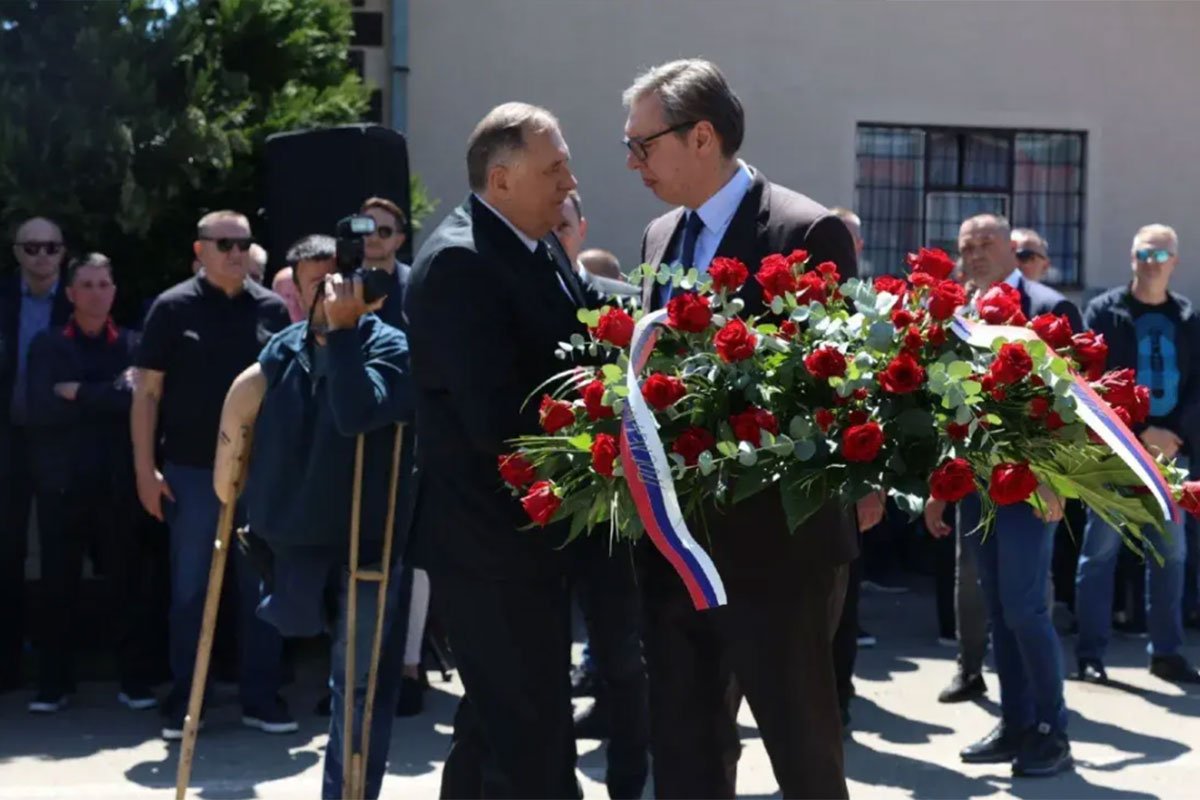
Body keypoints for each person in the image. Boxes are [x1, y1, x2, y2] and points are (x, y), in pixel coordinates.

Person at [624, 58, 872, 798]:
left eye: (644, 144)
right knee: (686, 753)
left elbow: (832, 391)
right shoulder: (658, 235)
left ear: (701, 136)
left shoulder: (805, 229)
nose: (633, 161)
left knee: (802, 753)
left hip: (779, 556)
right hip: (677, 549)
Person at [407, 101, 594, 798]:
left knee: (495, 726)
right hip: (489, 544)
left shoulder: (530, 243)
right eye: (555, 168)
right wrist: (603, 437)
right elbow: (500, 420)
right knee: (532, 736)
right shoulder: (461, 261)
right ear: (503, 178)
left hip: (523, 543)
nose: (570, 182)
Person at [228, 234, 415, 799]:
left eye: (336, 280)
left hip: (367, 544)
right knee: (336, 677)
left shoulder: (392, 347)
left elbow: (358, 414)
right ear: (294, 285)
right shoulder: (280, 350)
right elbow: (240, 426)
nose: (326, 292)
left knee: (356, 689)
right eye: (314, 282)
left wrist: (346, 334)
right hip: (291, 542)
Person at [924, 212, 1079, 777]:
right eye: (967, 245)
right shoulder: (957, 313)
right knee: (999, 611)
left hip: (1032, 489)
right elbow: (948, 406)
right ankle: (1017, 722)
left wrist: (1057, 479)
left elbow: (1075, 404)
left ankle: (1050, 731)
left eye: (987, 242)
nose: (976, 252)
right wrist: (940, 487)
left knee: (1026, 608)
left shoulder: (1049, 308)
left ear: (1013, 247)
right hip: (976, 489)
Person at [132, 210, 294, 740]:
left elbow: (289, 392)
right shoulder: (172, 308)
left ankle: (260, 697)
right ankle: (189, 699)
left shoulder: (272, 308)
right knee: (190, 590)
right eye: (223, 243)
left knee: (260, 590)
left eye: (243, 243)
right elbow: (147, 394)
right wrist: (144, 469)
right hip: (190, 473)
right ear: (199, 250)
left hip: (261, 474)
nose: (235, 252)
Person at [25, 253, 157, 713]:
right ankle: (53, 685)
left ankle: (134, 681)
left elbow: (138, 402)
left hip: (120, 484)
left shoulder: (135, 343)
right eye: (87, 284)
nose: (97, 292)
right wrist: (110, 394)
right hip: (64, 485)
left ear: (114, 292)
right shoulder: (47, 344)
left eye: (104, 284)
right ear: (71, 293)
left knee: (127, 582)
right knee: (58, 584)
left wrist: (79, 391)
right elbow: (41, 408)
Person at [553, 188, 650, 796]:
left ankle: (627, 780)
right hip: (536, 513)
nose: (552, 234)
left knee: (622, 660)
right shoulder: (513, 292)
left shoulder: (620, 309)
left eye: (563, 224)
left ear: (581, 228)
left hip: (610, 512)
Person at [1074, 223, 1200, 685]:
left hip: (1171, 454)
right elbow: (1089, 377)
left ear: (1175, 262)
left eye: (1160, 255)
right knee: (1100, 553)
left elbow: (1198, 388)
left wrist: (1174, 433)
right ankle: (1090, 653)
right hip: (1114, 450)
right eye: (1143, 254)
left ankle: (1166, 652)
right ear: (1132, 259)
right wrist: (1139, 430)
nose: (1151, 263)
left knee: (1170, 553)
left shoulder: (1189, 319)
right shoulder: (1105, 312)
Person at [0, 216, 72, 692]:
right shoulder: (4, 300)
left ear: (63, 253)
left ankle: (55, 671)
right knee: (6, 550)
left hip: (61, 442)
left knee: (58, 551)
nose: (41, 256)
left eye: (50, 248)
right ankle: (6, 667)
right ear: (16, 253)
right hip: (7, 439)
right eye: (32, 248)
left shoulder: (81, 297)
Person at [360, 196, 412, 334]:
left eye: (384, 232)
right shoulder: (342, 285)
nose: (374, 237)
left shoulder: (415, 285)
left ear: (399, 240)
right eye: (367, 229)